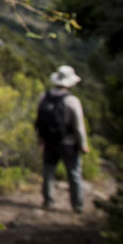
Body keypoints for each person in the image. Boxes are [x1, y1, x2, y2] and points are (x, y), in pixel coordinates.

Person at [35, 65, 89, 213]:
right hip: (68, 143)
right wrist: (83, 145)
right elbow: (79, 126)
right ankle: (78, 205)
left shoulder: (44, 97)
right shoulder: (72, 101)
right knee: (74, 173)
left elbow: (39, 120)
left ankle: (48, 201)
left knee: (48, 171)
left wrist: (40, 138)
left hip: (49, 141)